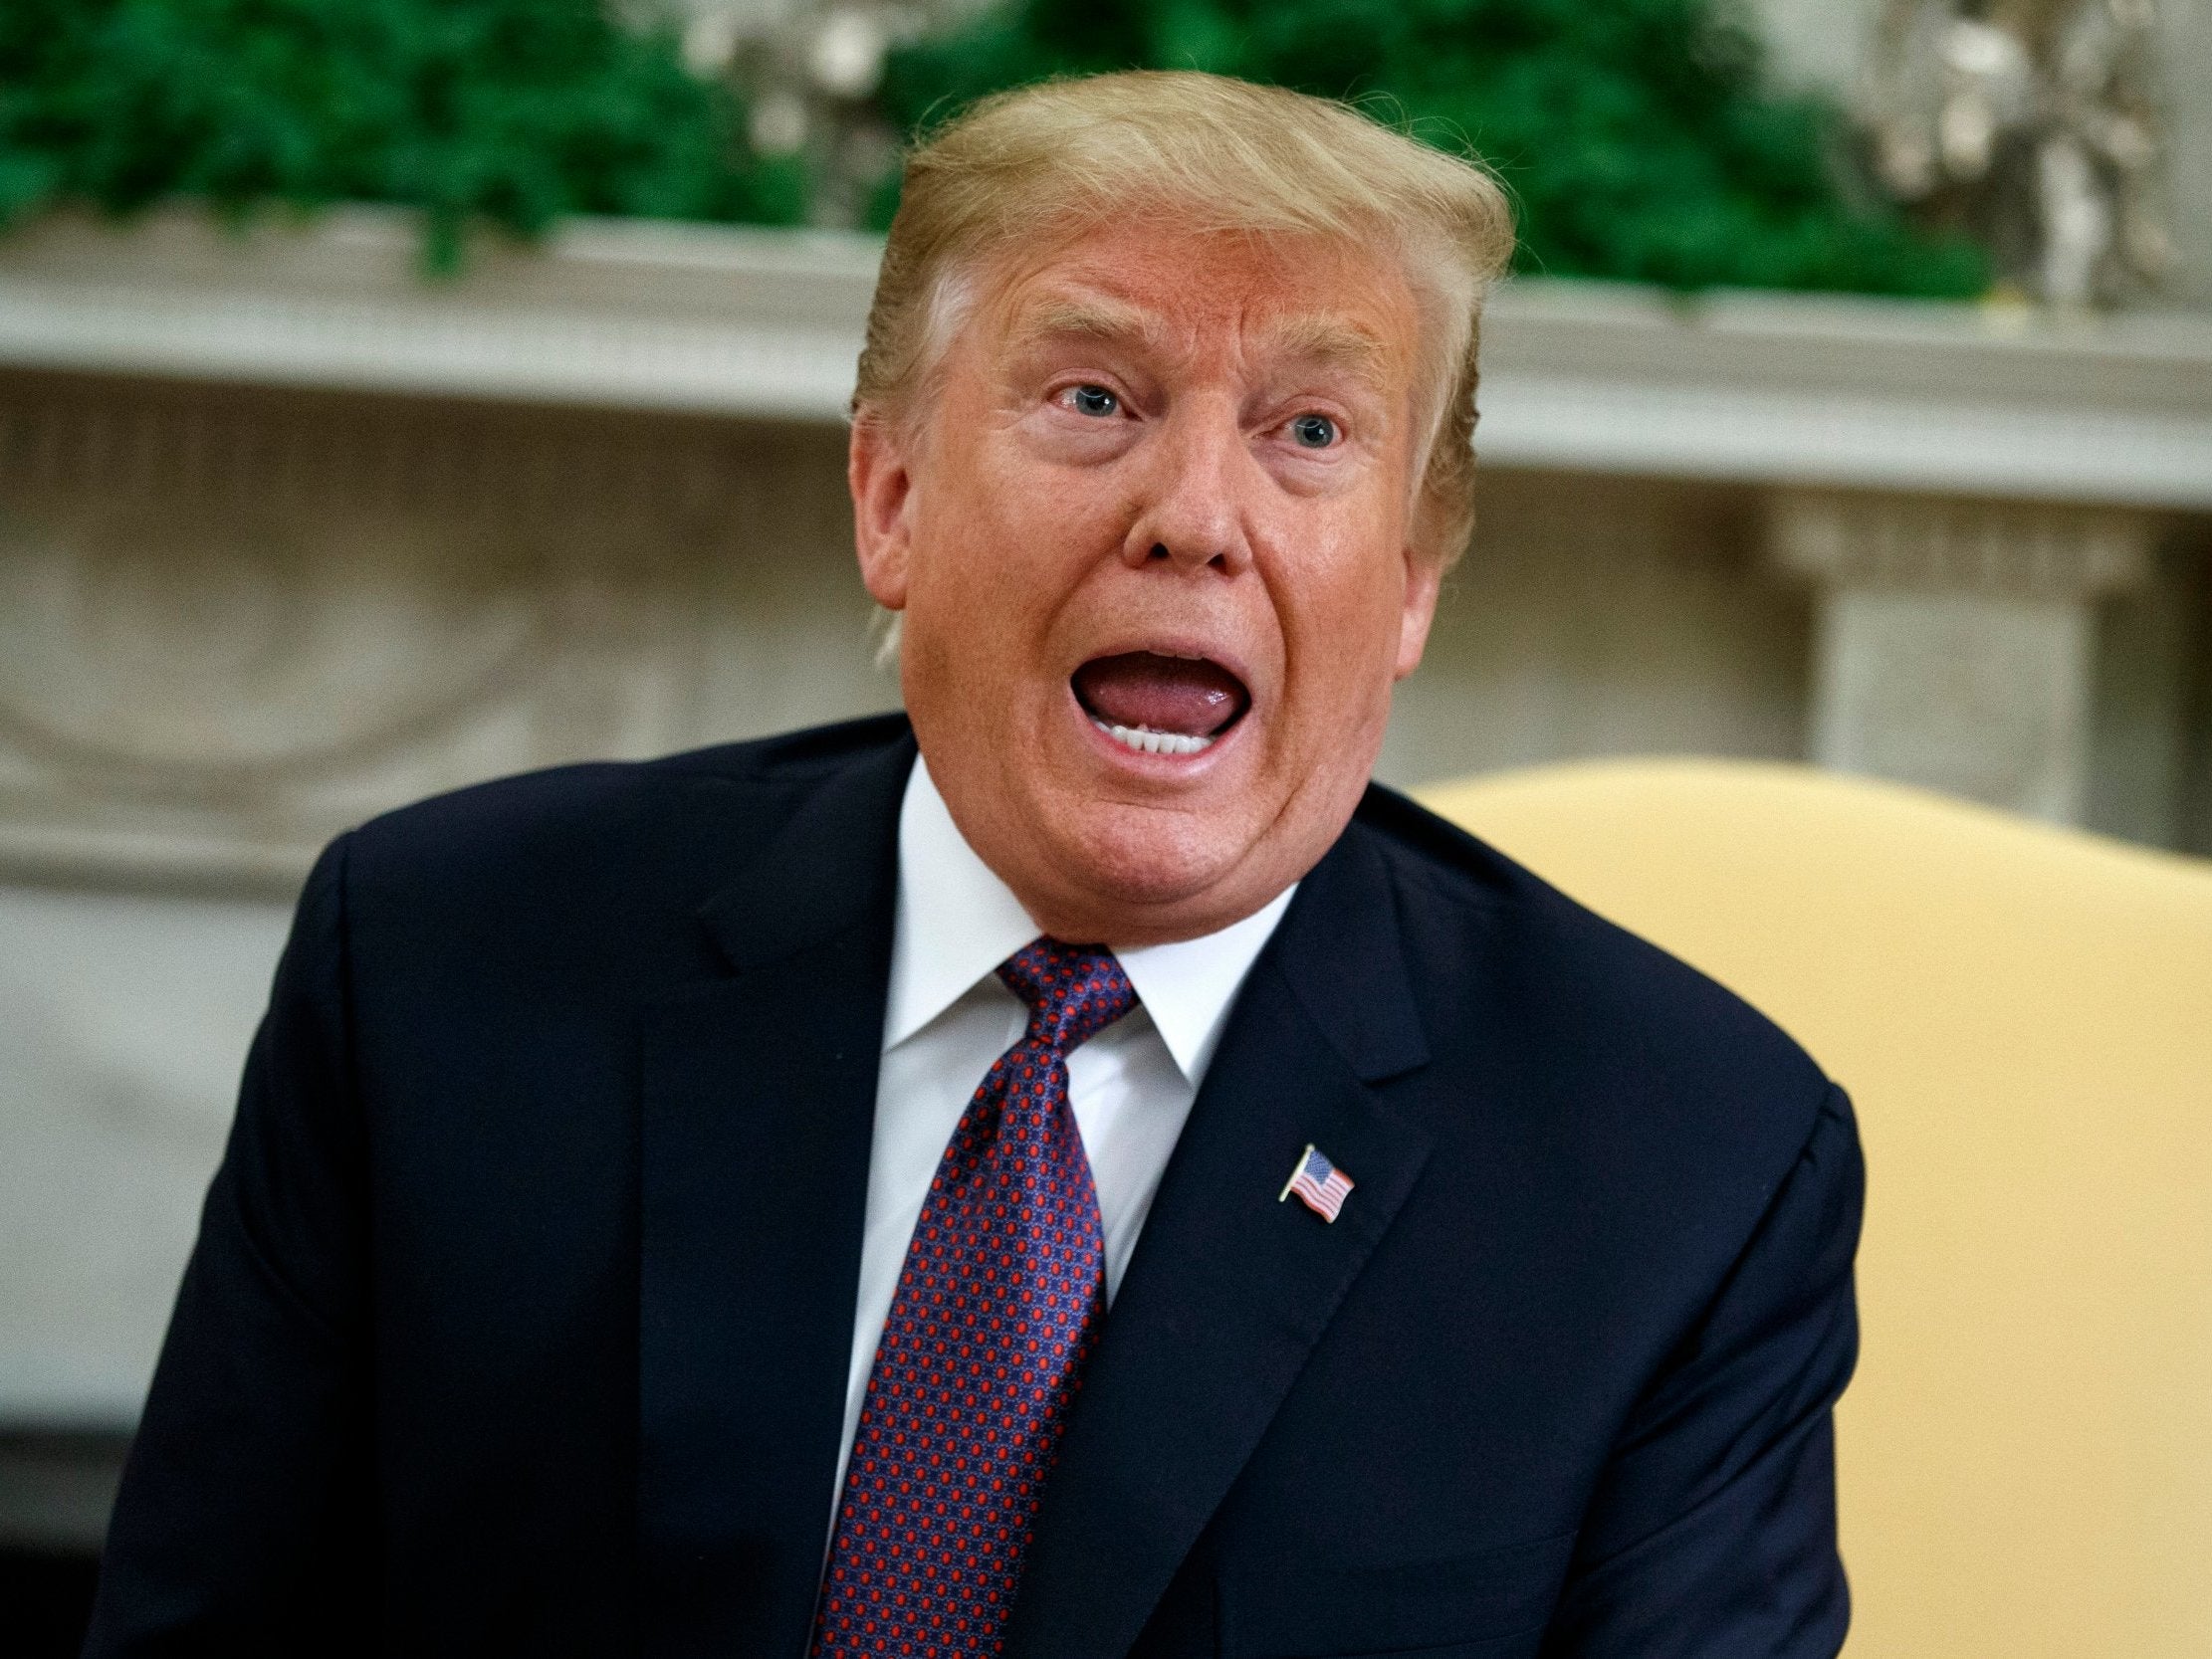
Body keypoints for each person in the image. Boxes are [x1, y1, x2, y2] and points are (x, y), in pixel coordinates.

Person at [86, 71, 1863, 1658]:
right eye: (1092, 396)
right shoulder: (438, 963)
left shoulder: (1685, 1168)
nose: (1195, 513)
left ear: (1408, 581)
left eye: (1310, 432)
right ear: (893, 499)